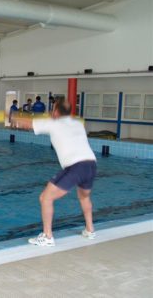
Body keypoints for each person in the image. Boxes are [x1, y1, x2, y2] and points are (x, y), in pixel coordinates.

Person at [13, 97, 97, 247]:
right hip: (91, 164)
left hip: (75, 166)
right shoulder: (78, 123)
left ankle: (47, 236)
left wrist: (12, 116)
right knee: (84, 197)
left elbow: (26, 124)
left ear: (56, 111)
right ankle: (90, 230)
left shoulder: (53, 123)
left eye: (53, 108)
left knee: (45, 198)